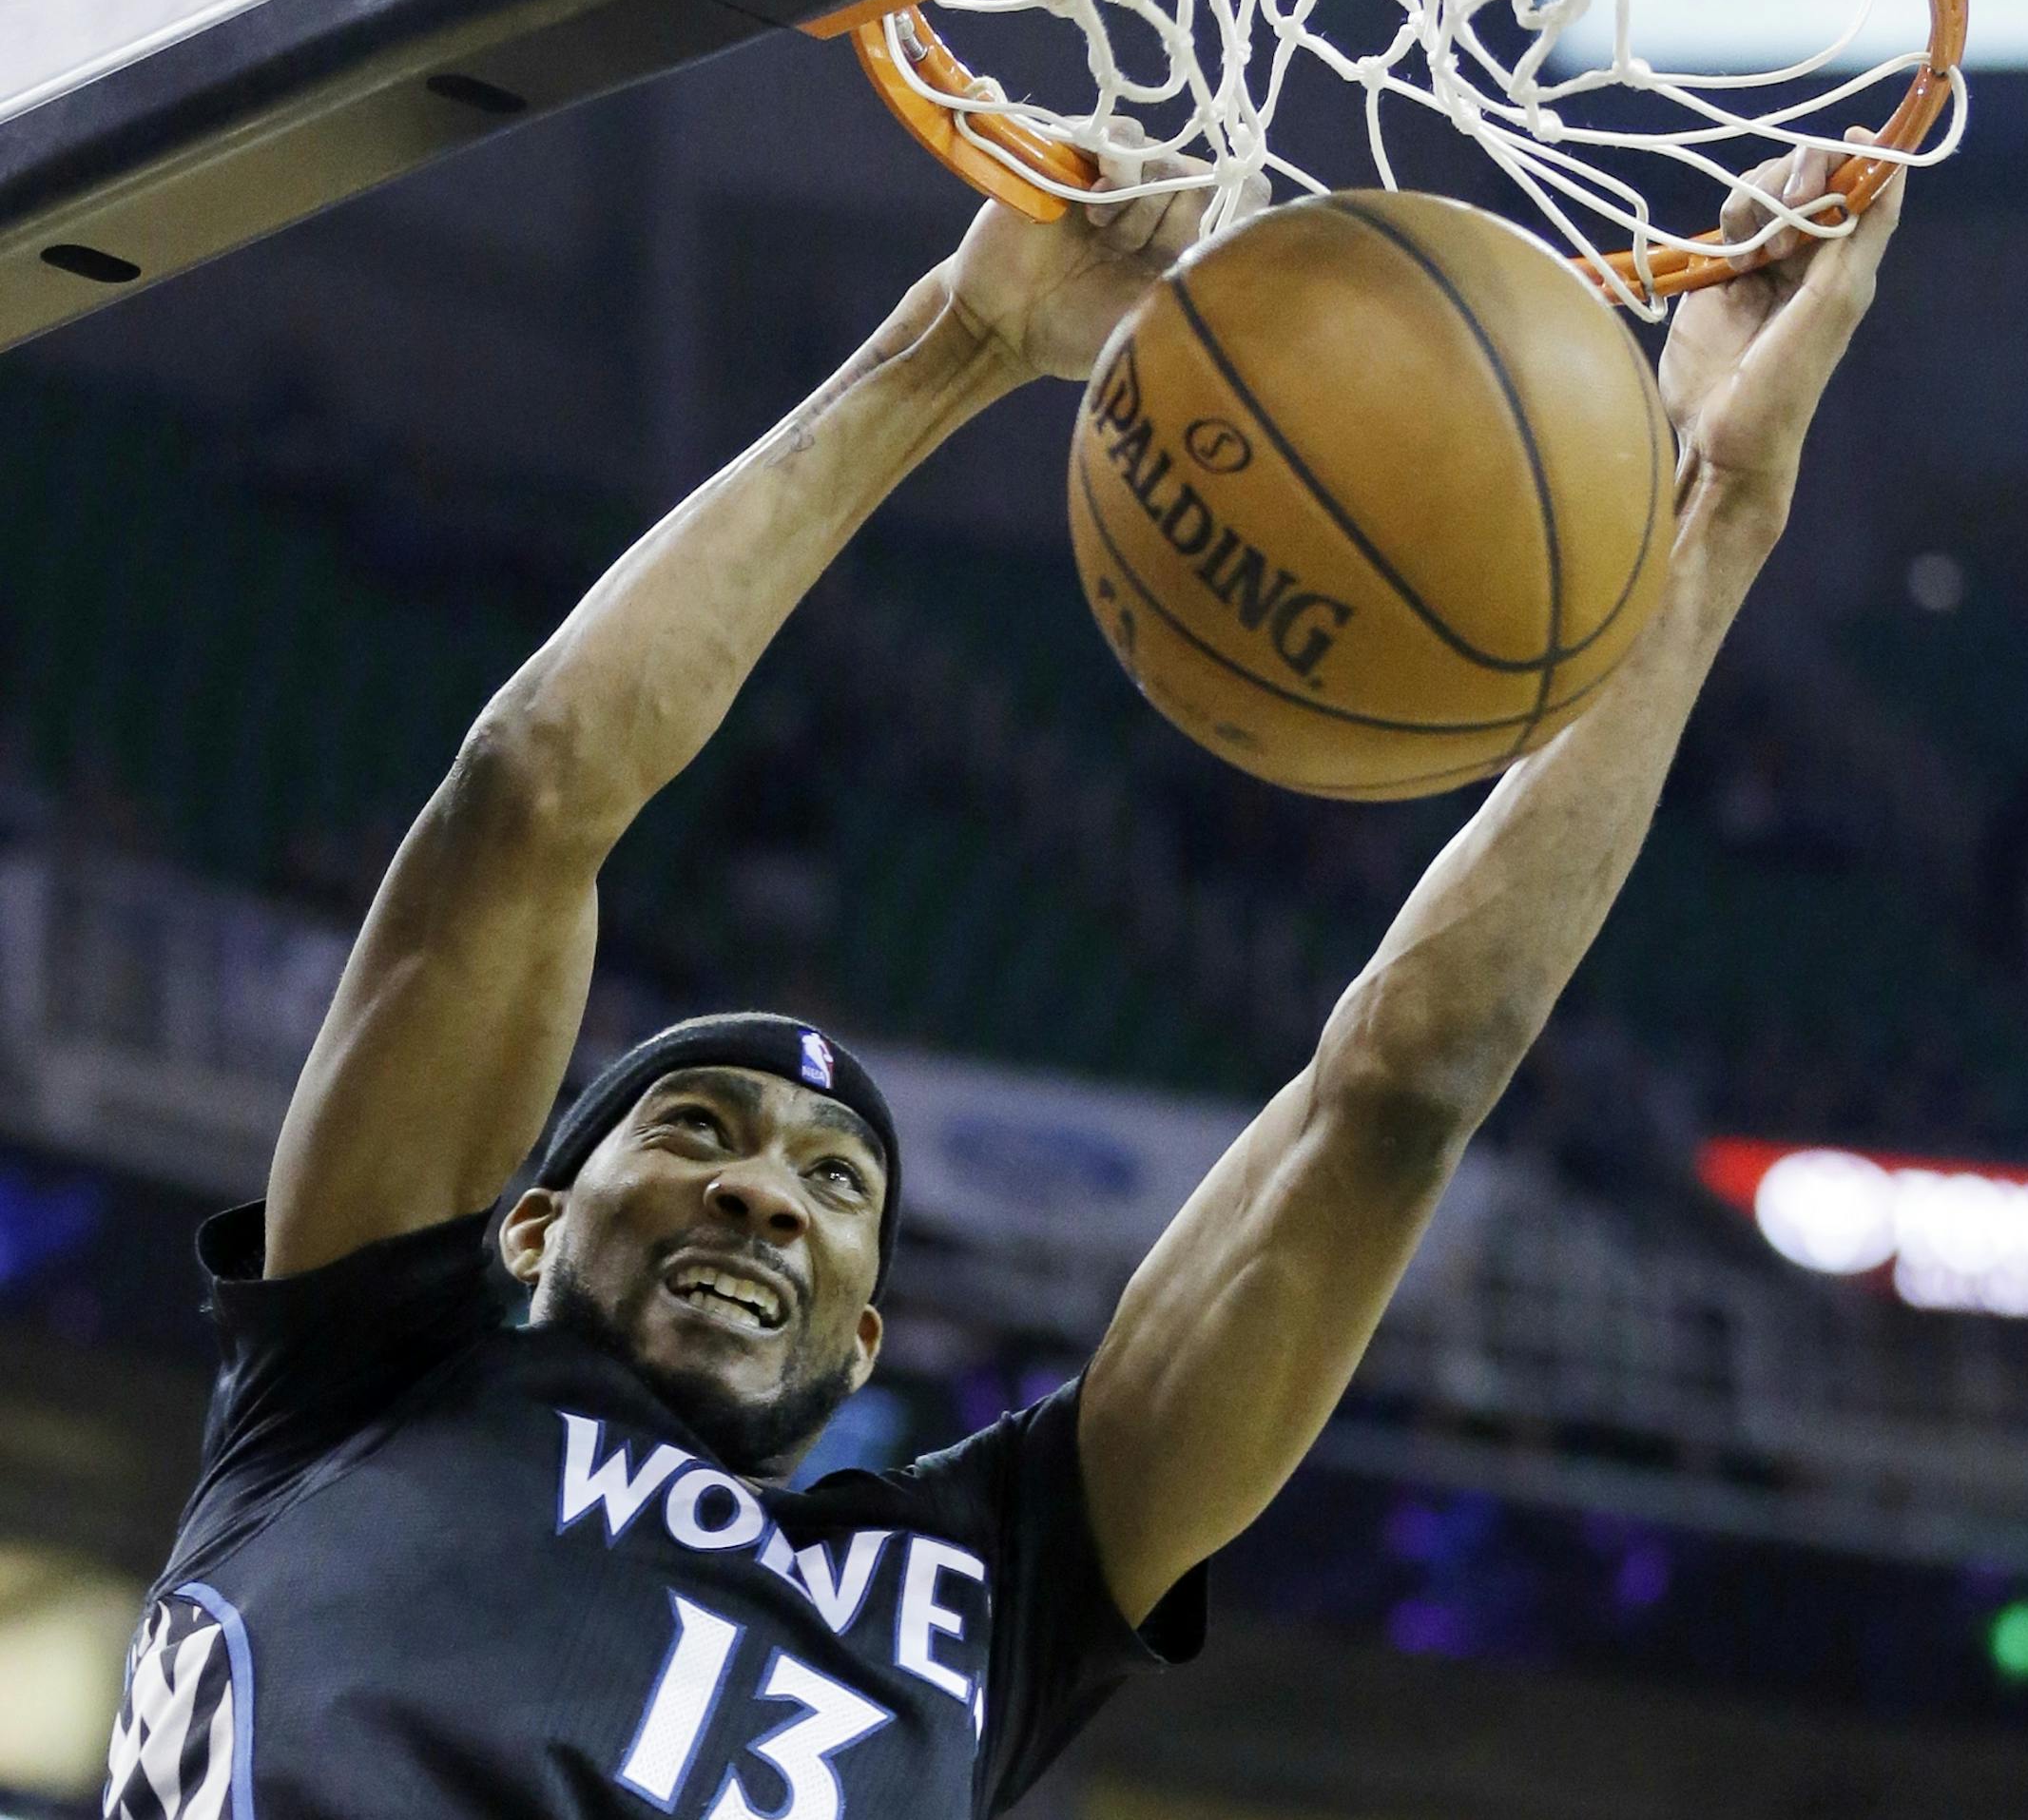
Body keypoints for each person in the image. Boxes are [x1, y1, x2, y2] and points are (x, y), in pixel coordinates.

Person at [103, 141, 1899, 1820]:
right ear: (525, 1227)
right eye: (698, 1127)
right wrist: (959, 341)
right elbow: (531, 797)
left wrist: (1713, 512)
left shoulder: (989, 1585)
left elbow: (1397, 1097)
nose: (761, 1189)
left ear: (869, 1334)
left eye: (835, 1182)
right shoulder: (363, 1378)